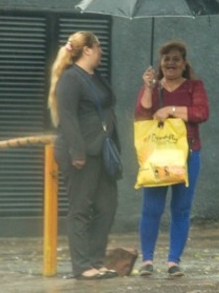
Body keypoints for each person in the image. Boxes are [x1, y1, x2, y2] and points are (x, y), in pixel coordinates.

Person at [47, 31, 120, 280]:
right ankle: (82, 266)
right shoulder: (70, 79)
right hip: (80, 153)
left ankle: (96, 261)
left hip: (101, 151)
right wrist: (77, 153)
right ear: (87, 49)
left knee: (107, 207)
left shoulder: (96, 76)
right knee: (80, 208)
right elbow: (67, 118)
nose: (101, 51)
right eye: (98, 46)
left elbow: (108, 104)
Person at [134, 40, 210, 277]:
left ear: (184, 63)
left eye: (176, 59)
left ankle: (173, 261)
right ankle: (147, 260)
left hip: (188, 154)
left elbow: (201, 113)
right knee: (151, 209)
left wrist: (171, 110)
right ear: (160, 63)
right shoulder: (154, 87)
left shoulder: (194, 87)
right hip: (157, 155)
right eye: (166, 59)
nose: (171, 63)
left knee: (181, 209)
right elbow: (142, 114)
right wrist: (147, 88)